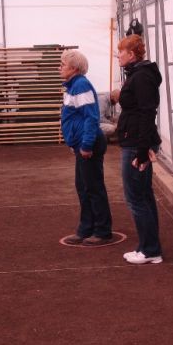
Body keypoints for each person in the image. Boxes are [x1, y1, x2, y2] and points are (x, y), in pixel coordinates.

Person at [113, 34, 163, 265]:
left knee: (136, 197)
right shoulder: (138, 74)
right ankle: (149, 247)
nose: (118, 56)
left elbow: (146, 113)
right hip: (135, 141)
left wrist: (143, 150)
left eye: (121, 52)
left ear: (131, 54)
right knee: (143, 195)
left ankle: (149, 249)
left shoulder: (141, 77)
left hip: (135, 144)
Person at [59, 50, 114, 246]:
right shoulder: (72, 86)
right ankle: (86, 228)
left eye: (63, 65)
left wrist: (86, 144)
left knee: (93, 187)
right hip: (81, 143)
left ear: (74, 68)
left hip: (88, 143)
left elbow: (91, 118)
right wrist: (74, 142)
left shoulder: (80, 85)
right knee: (83, 187)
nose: (59, 68)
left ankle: (102, 230)